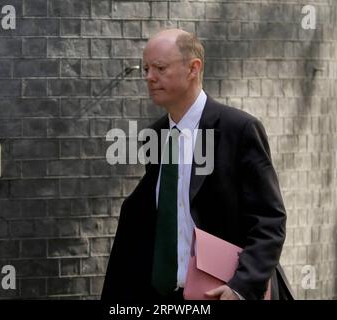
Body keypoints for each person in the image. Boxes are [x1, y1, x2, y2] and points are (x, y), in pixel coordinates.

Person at [101, 29, 293, 301]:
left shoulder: (238, 130)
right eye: (145, 68)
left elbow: (269, 220)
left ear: (194, 68)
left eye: (160, 68)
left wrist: (241, 287)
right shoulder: (154, 137)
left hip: (223, 292)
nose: (149, 77)